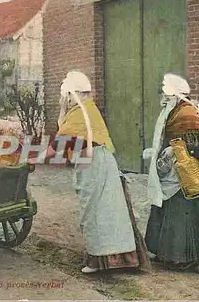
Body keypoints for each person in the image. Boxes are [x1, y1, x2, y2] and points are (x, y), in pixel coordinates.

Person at [31, 70, 150, 273]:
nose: (64, 100)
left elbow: (60, 142)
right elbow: (65, 129)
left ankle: (98, 261)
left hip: (94, 163)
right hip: (98, 161)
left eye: (65, 96)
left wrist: (36, 158)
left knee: (94, 211)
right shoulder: (85, 109)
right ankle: (113, 258)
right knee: (106, 211)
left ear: (71, 94)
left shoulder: (80, 113)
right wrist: (62, 109)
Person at [143, 73, 199, 271]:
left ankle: (184, 257)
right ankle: (166, 252)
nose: (163, 97)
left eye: (166, 93)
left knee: (183, 212)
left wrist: (174, 149)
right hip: (172, 169)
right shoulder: (173, 110)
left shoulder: (187, 111)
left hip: (185, 172)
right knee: (166, 208)